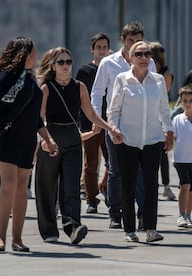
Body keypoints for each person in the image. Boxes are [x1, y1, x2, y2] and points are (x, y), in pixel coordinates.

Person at [35, 47, 122, 244]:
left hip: (73, 139)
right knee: (47, 187)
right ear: (53, 66)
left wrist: (111, 129)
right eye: (61, 62)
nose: (65, 66)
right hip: (52, 136)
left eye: (68, 61)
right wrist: (46, 140)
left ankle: (72, 226)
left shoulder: (79, 87)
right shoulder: (46, 88)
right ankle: (49, 230)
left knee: (71, 187)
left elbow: (91, 114)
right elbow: (39, 119)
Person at [0, 36, 59, 253]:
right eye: (33, 51)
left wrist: (48, 139)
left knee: (21, 190)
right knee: (8, 184)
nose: (36, 55)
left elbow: (35, 117)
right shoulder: (6, 77)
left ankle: (17, 239)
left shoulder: (30, 79)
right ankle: (0, 237)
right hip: (7, 138)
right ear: (24, 53)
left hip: (27, 141)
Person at [90, 21, 155, 229]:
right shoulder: (109, 63)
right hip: (115, 126)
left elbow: (154, 92)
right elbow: (98, 92)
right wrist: (97, 120)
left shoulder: (149, 62)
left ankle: (143, 214)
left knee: (141, 173)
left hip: (142, 127)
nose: (135, 45)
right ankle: (115, 212)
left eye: (139, 41)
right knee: (116, 171)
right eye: (131, 41)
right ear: (122, 41)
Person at [108, 41, 173, 242]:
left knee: (151, 186)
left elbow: (164, 108)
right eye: (139, 54)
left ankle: (150, 229)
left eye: (147, 54)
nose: (144, 57)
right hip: (128, 140)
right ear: (130, 58)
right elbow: (114, 110)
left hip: (153, 139)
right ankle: (129, 230)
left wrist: (169, 131)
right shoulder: (122, 79)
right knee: (128, 185)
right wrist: (114, 129)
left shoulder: (158, 80)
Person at [75, 33, 111, 213]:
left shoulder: (112, 68)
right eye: (98, 47)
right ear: (92, 49)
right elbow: (79, 99)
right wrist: (82, 122)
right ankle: (91, 200)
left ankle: (105, 186)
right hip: (89, 124)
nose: (102, 50)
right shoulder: (84, 71)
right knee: (90, 165)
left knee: (113, 162)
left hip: (111, 123)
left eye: (105, 47)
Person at [172, 85, 192, 229]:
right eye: (184, 100)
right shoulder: (177, 119)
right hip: (180, 160)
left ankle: (188, 216)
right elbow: (173, 137)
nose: (188, 103)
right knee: (184, 185)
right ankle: (181, 215)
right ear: (181, 102)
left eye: (191, 100)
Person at [149, 41, 176, 201]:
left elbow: (163, 96)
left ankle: (166, 185)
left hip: (159, 114)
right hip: (148, 115)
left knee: (162, 152)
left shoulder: (165, 74)